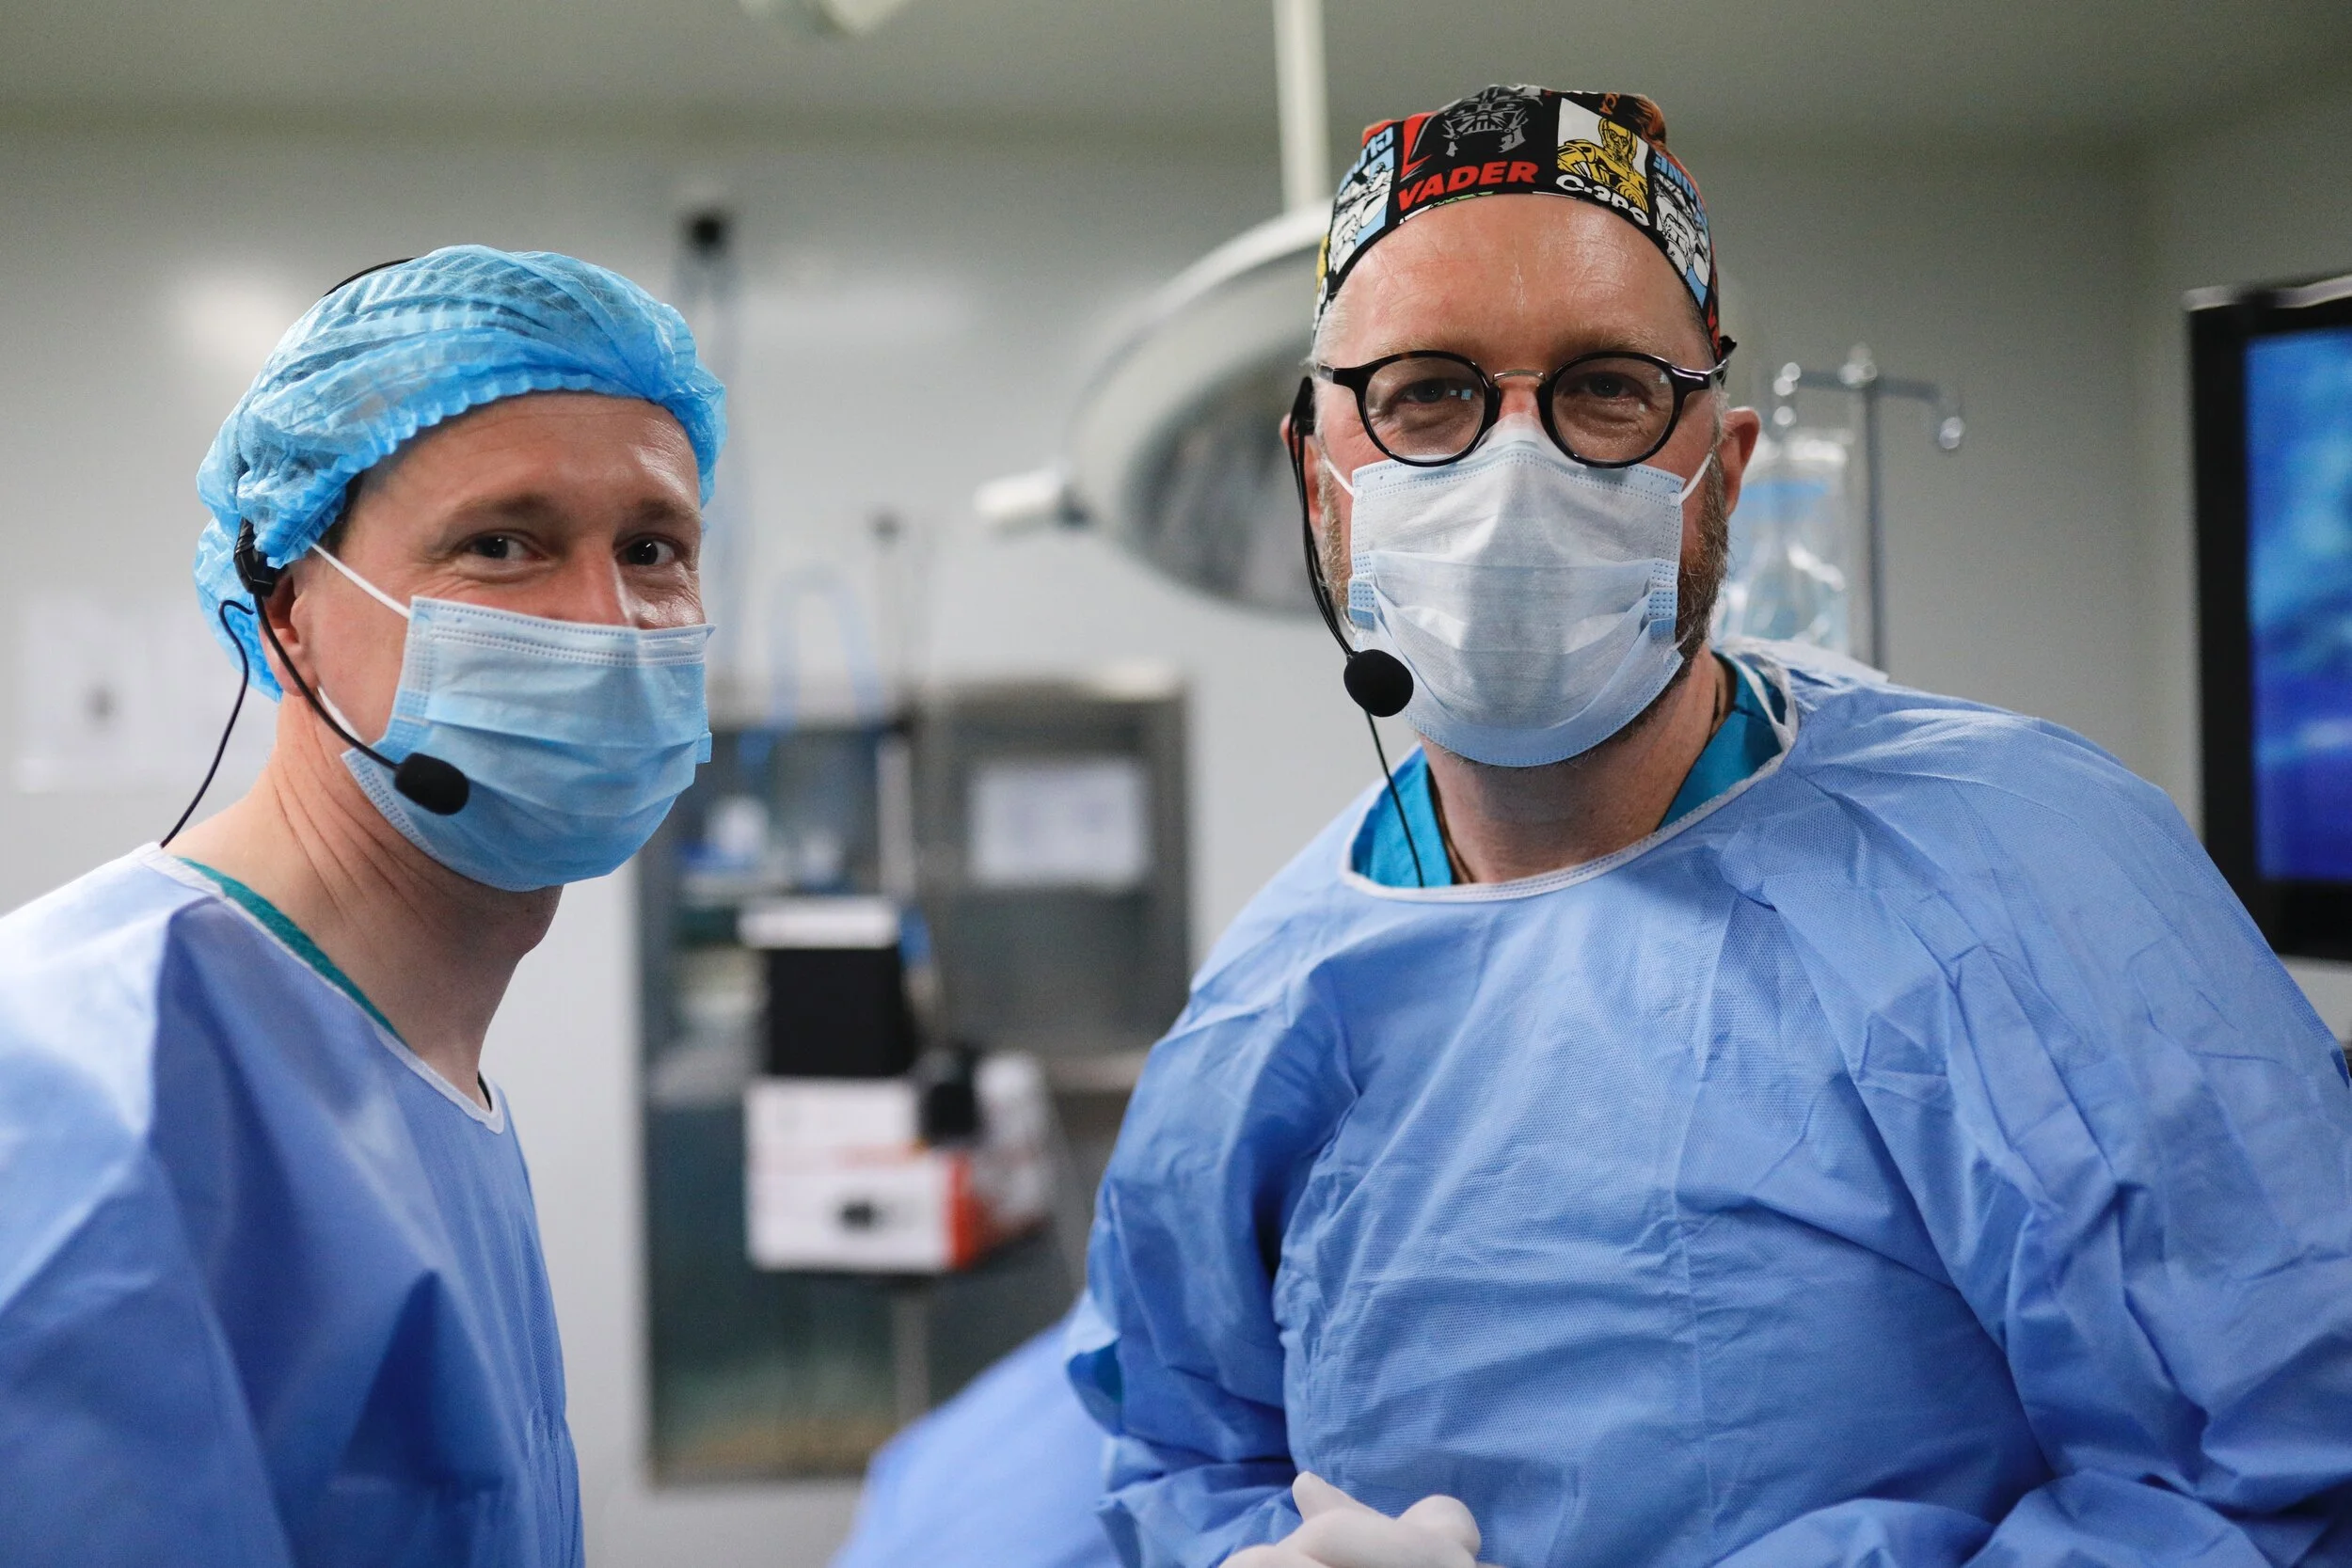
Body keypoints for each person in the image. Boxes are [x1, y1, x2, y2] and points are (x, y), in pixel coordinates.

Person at [1070, 87, 2352, 1568]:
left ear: (1721, 475)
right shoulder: (1274, 999)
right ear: (1319, 480)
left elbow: (2277, 1472)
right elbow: (1180, 1445)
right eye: (1428, 393)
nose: (1513, 474)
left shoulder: (2027, 872)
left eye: (1607, 388)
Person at [0, 245, 725, 1565]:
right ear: (288, 614)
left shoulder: (421, 1077)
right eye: (502, 543)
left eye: (654, 547)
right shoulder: (84, 1073)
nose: (609, 619)